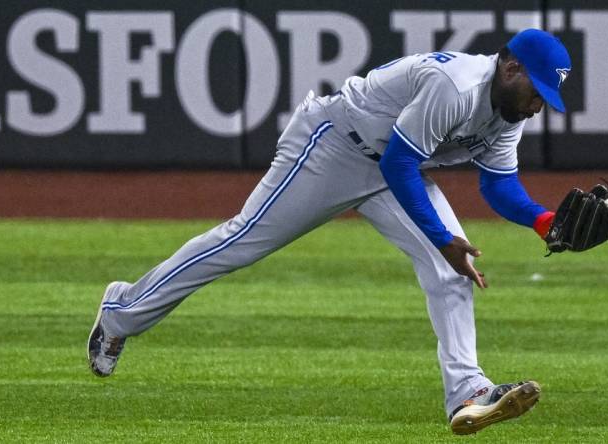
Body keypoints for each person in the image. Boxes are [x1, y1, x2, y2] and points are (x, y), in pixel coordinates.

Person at [87, 29, 571, 435]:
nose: (537, 108)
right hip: (333, 145)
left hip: (390, 169)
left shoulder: (508, 112)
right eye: (538, 94)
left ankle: (469, 392)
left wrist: (541, 220)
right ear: (511, 70)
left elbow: (499, 183)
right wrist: (440, 237)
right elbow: (402, 161)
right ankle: (121, 310)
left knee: (454, 271)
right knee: (239, 243)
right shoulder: (457, 86)